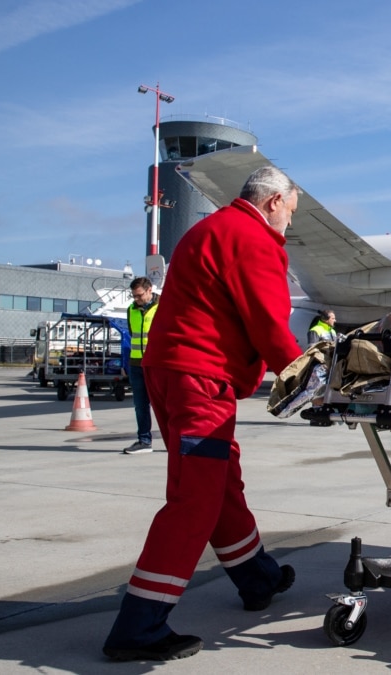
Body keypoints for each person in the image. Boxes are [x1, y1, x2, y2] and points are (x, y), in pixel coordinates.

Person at [102, 166, 306, 662]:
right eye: (291, 213)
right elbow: (268, 322)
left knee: (219, 483)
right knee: (194, 500)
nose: (289, 226)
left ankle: (258, 578)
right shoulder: (253, 239)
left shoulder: (210, 229)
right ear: (275, 201)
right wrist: (304, 376)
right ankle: (139, 625)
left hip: (171, 375)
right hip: (200, 380)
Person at [122, 277, 159, 454]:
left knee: (165, 405)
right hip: (137, 364)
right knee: (140, 405)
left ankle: (174, 440)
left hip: (158, 364)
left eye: (139, 296)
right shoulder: (131, 310)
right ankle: (144, 441)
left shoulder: (164, 306)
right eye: (134, 296)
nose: (136, 299)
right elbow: (132, 334)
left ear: (149, 290)